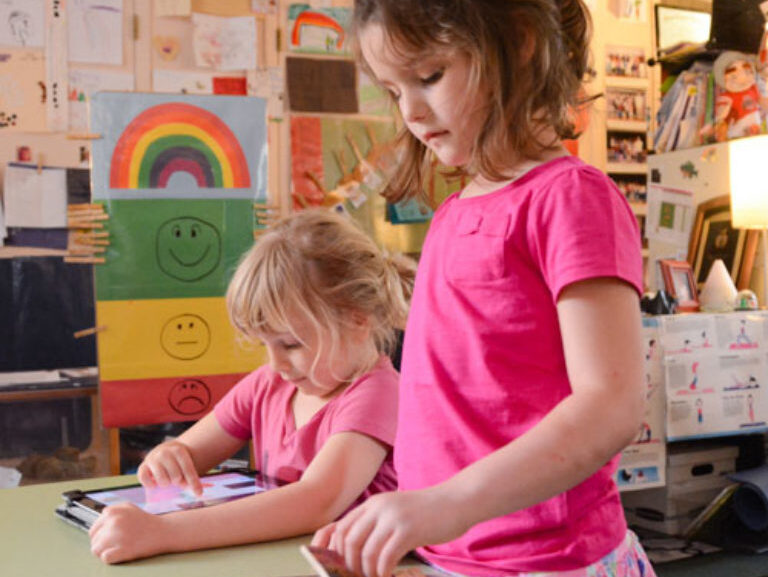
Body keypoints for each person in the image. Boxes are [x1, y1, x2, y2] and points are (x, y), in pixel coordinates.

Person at [312, 2, 655, 577]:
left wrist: (446, 504)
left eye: (429, 76)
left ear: (519, 41)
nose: (413, 111)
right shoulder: (451, 214)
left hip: (547, 562)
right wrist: (398, 513)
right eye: (396, 91)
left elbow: (611, 406)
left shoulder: (569, 197)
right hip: (454, 555)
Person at [89, 209, 416, 564]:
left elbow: (317, 502)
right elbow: (190, 452)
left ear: (357, 319)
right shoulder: (269, 384)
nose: (274, 364)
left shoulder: (379, 394)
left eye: (290, 344)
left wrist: (165, 532)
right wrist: (166, 458)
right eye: (265, 344)